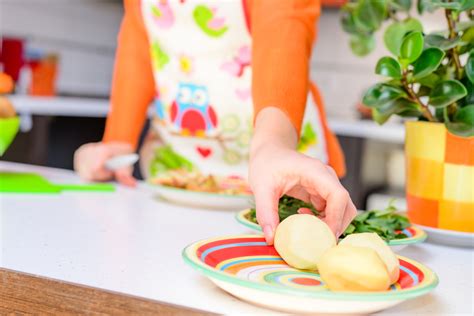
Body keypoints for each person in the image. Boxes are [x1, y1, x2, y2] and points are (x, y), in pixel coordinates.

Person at [74, 0, 357, 244]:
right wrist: (116, 143)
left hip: (280, 184)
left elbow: (284, 29)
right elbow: (138, 50)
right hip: (174, 177)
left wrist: (272, 146)